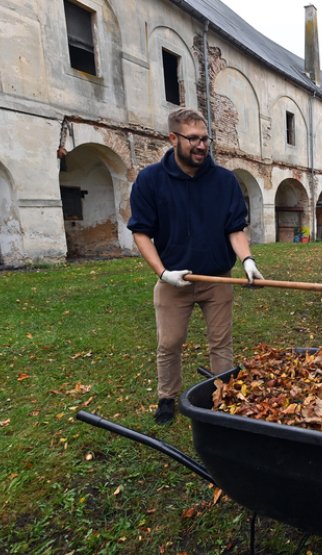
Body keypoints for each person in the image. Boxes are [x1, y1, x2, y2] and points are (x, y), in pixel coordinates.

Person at [127, 107, 263, 424]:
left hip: (218, 279)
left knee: (221, 342)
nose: (201, 146)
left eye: (205, 138)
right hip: (175, 279)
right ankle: (166, 397)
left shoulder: (224, 181)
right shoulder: (150, 181)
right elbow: (141, 232)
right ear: (172, 138)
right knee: (169, 342)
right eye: (193, 139)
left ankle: (225, 395)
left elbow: (235, 228)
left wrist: (248, 259)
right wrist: (162, 273)